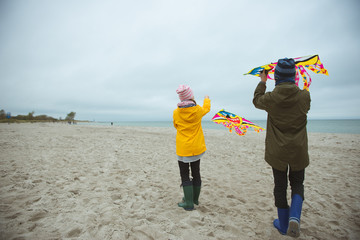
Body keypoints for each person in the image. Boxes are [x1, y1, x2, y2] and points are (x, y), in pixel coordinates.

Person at [252, 58, 310, 237]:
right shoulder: (304, 96)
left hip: (278, 151)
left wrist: (262, 82)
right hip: (298, 149)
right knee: (298, 183)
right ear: (293, 77)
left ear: (276, 77)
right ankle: (295, 217)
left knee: (280, 185)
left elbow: (256, 100)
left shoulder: (271, 98)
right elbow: (304, 105)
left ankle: (284, 224)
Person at [173, 84, 211, 211]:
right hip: (196, 147)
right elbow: (207, 108)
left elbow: (176, 126)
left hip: (183, 148)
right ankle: (194, 199)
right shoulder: (198, 110)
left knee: (185, 174)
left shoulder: (176, 112)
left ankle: (189, 202)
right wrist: (206, 98)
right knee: (196, 172)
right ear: (191, 97)